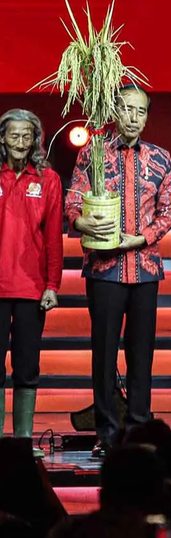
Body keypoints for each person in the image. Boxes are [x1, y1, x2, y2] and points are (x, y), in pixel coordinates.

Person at [65, 84, 171, 457]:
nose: (134, 117)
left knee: (141, 353)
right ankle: (107, 432)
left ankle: (138, 429)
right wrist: (82, 224)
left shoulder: (160, 158)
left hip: (144, 269)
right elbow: (73, 200)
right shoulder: (92, 154)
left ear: (148, 115)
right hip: (104, 270)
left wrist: (141, 238)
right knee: (103, 352)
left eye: (141, 111)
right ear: (116, 111)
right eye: (128, 109)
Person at [0, 109, 62, 456]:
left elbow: (54, 236)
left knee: (26, 365)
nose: (20, 142)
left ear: (35, 139)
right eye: (13, 136)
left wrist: (52, 284)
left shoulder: (49, 179)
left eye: (27, 136)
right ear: (2, 138)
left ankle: (23, 440)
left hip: (30, 288)